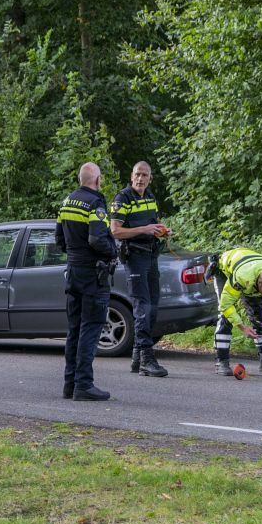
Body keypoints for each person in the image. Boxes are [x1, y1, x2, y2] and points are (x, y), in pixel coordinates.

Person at [55, 162, 118, 401]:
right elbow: (97, 239)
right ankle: (84, 385)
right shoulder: (95, 203)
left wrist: (75, 255)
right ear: (97, 180)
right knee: (91, 328)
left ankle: (70, 384)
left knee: (74, 329)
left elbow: (59, 240)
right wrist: (113, 252)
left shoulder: (67, 202)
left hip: (73, 272)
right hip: (93, 274)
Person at [110, 161, 169, 377]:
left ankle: (137, 357)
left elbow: (152, 225)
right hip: (134, 257)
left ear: (150, 178)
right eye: (137, 174)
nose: (140, 179)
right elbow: (115, 231)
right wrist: (144, 229)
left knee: (152, 306)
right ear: (131, 176)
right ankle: (146, 358)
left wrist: (161, 231)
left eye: (144, 175)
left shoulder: (150, 196)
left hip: (151, 255)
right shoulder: (122, 198)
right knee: (142, 306)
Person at [205, 248, 262, 375]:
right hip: (225, 270)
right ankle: (221, 362)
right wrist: (242, 327)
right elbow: (225, 305)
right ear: (259, 284)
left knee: (260, 318)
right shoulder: (242, 278)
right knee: (225, 317)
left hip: (251, 269)